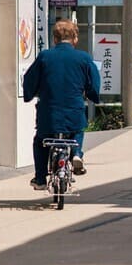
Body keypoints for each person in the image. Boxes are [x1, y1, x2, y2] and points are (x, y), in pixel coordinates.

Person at [23, 19, 100, 183]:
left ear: (54, 39)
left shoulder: (45, 57)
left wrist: (29, 94)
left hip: (48, 114)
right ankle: (77, 154)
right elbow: (94, 84)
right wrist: (93, 95)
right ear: (75, 38)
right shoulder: (84, 58)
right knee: (78, 130)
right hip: (74, 112)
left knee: (40, 141)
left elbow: (30, 79)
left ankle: (40, 178)